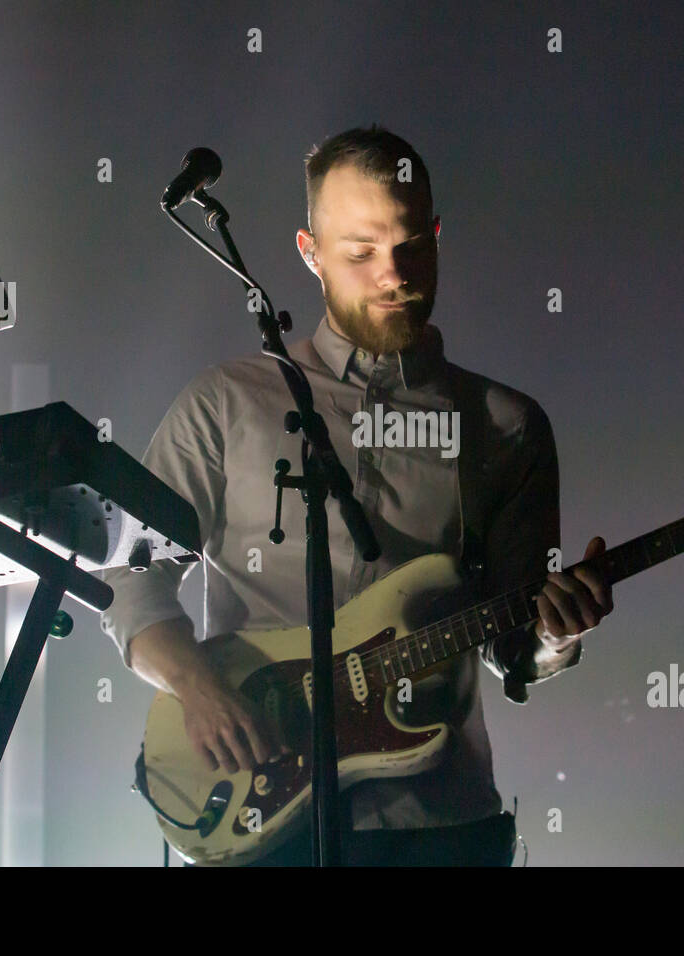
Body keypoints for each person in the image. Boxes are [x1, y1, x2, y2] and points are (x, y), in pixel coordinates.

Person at [101, 124, 615, 865]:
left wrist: (558, 631)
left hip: (437, 825)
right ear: (309, 254)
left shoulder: (508, 426)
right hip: (257, 813)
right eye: (360, 253)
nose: (393, 274)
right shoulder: (226, 403)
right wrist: (196, 686)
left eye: (412, 246)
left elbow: (513, 648)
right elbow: (126, 573)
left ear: (437, 237)